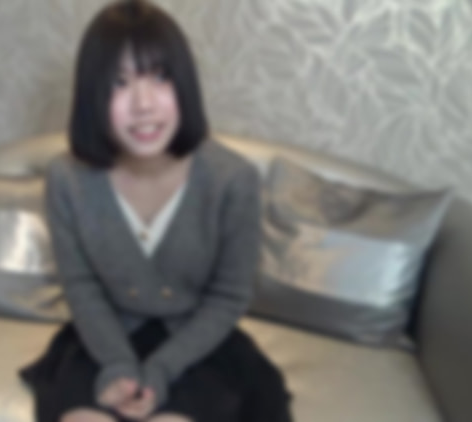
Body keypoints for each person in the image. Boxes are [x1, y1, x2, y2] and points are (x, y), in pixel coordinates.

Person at [18, 1, 293, 421]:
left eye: (161, 77)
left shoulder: (233, 180)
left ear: (185, 85)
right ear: (93, 95)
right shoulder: (67, 178)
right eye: (119, 83)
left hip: (197, 346)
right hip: (102, 340)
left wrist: (160, 370)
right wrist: (118, 365)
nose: (143, 104)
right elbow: (81, 286)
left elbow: (229, 296)